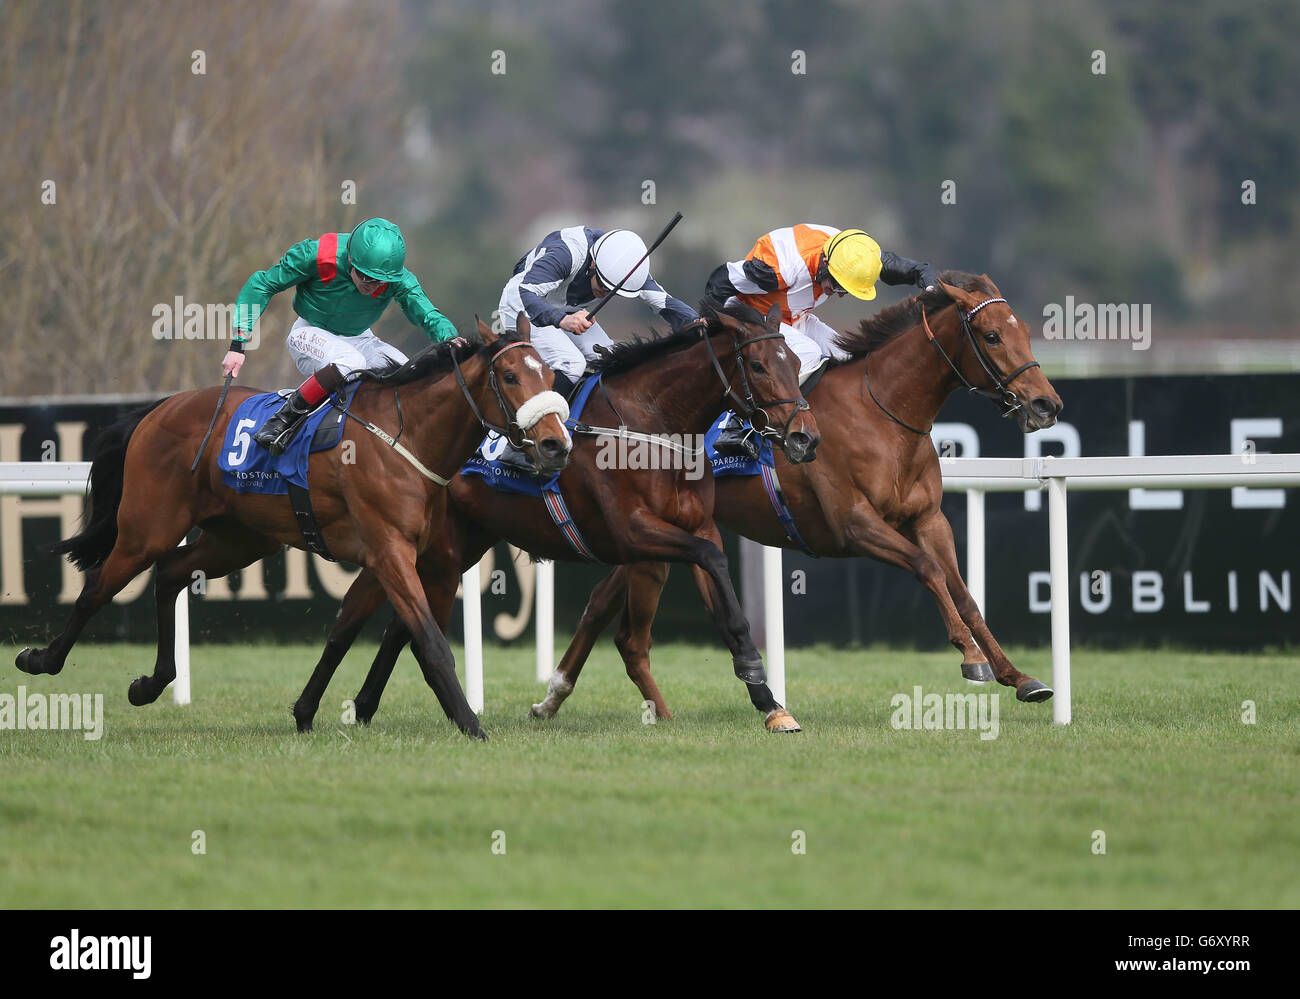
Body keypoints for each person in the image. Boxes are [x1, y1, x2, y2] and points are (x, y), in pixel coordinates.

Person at [220, 217, 462, 455]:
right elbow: (263, 284)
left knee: (406, 372)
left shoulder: (398, 279)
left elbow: (427, 313)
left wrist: (449, 338)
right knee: (351, 362)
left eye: (379, 281)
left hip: (359, 337)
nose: (371, 286)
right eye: (365, 276)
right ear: (350, 259)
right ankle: (283, 419)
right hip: (309, 331)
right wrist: (238, 344)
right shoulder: (317, 255)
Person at [703, 224, 939, 455]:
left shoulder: (855, 253)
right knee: (809, 354)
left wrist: (930, 286)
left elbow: (917, 269)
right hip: (752, 315)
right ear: (826, 262)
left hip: (793, 317)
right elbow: (718, 281)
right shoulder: (781, 269)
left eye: (845, 289)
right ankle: (737, 427)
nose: (838, 293)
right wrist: (712, 327)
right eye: (837, 283)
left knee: (847, 355)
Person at [493, 225, 698, 472]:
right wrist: (561, 319)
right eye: (602, 284)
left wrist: (702, 324)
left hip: (566, 306)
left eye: (614, 292)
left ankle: (584, 427)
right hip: (524, 305)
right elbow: (525, 292)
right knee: (572, 363)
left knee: (611, 356)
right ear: (593, 265)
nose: (605, 293)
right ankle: (520, 445)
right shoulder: (566, 254)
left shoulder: (627, 266)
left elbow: (666, 304)